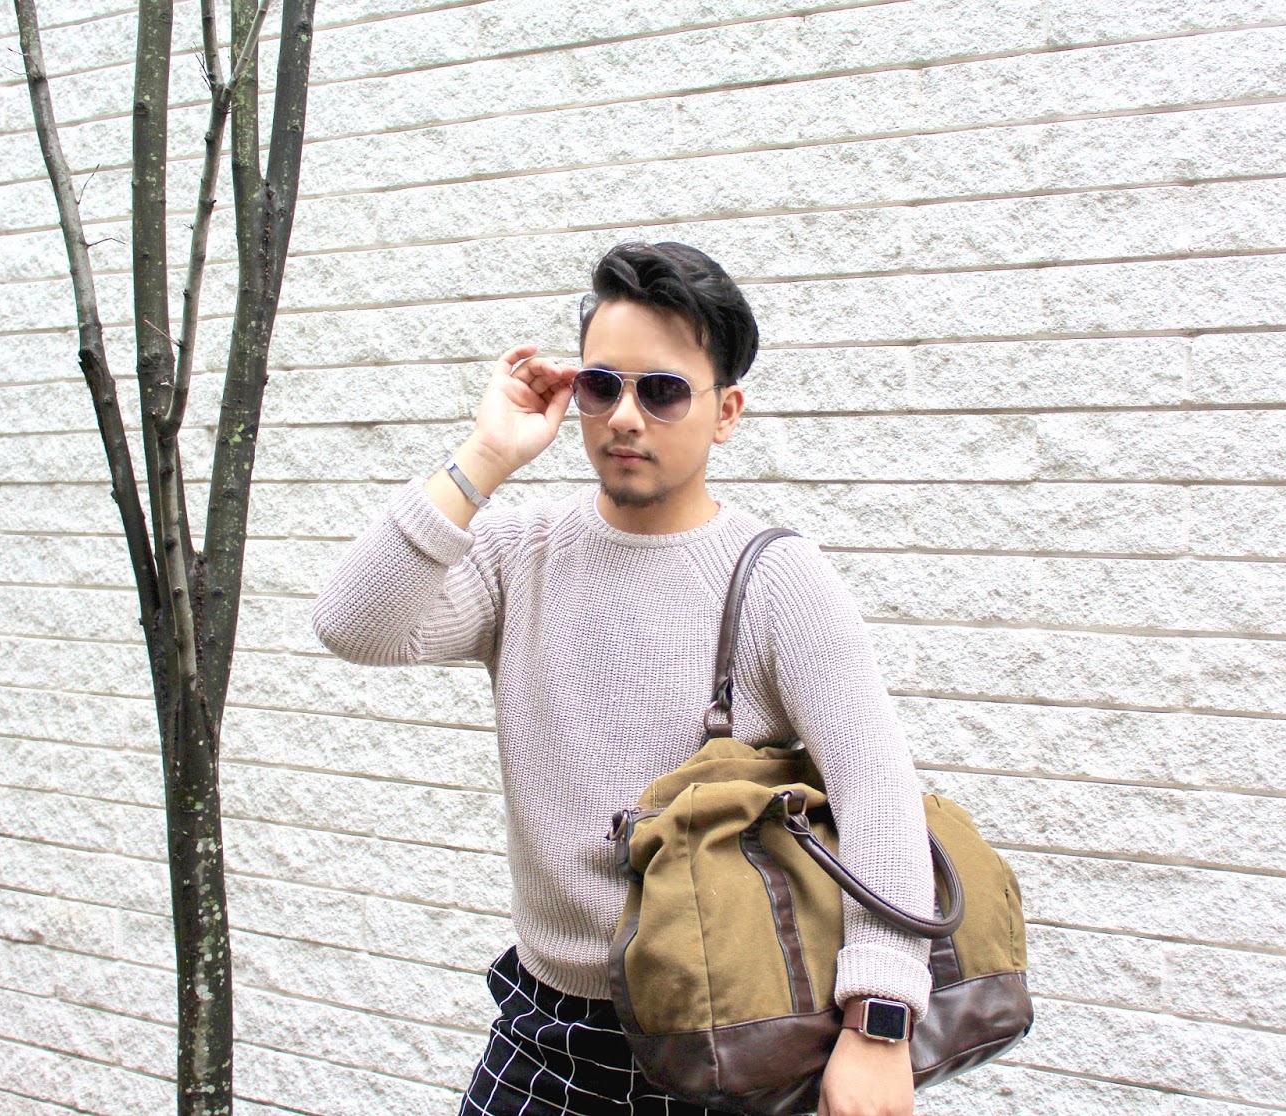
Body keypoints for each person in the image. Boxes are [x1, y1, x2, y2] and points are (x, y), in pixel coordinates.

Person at [311, 241, 935, 1116]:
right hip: (545, 1025)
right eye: (601, 387)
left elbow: (878, 794)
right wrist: (485, 455)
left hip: (729, 1026)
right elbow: (353, 623)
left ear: (725, 411)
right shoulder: (520, 552)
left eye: (663, 390)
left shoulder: (779, 579)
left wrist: (879, 1022)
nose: (625, 417)